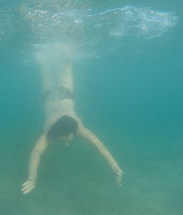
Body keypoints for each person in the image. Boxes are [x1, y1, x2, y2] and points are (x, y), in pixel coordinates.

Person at [22, 43, 123, 194]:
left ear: (70, 130)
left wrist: (116, 169)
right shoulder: (51, 133)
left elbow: (100, 147)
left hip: (56, 95)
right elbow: (36, 152)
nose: (66, 144)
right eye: (64, 141)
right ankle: (59, 46)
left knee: (49, 66)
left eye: (66, 140)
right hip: (53, 96)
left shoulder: (76, 128)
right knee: (63, 64)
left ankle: (52, 45)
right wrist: (32, 178)